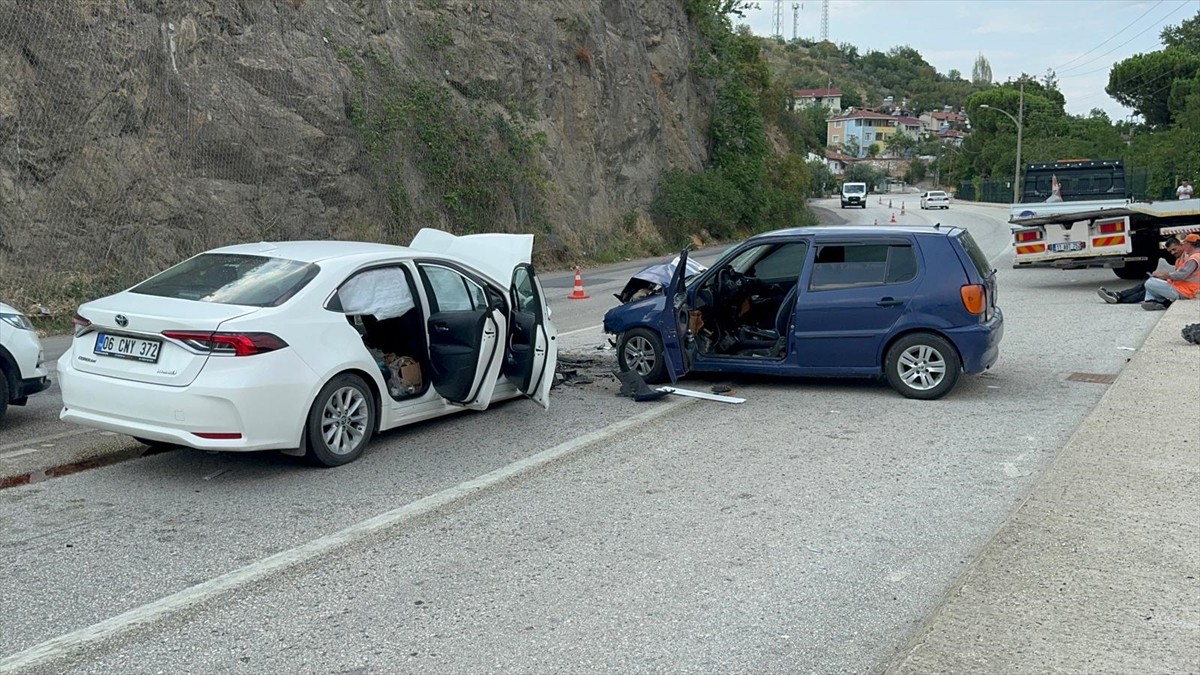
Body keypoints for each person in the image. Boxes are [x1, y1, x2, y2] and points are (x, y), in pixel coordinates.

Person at [1098, 238, 1185, 304]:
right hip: (1178, 286)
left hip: (1182, 290)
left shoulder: (1189, 258)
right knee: (1146, 284)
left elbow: (1182, 275)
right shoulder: (1180, 258)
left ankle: (1119, 298)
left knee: (1149, 288)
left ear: (1181, 245)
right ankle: (1118, 295)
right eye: (1170, 251)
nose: (1172, 253)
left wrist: (1163, 275)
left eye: (1174, 249)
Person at [1142, 233, 1200, 310]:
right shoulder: (1194, 256)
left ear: (1189, 244)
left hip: (1185, 291)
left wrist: (1164, 275)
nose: (1184, 246)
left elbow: (1181, 275)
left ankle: (1161, 301)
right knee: (1153, 281)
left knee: (1149, 283)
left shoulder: (1194, 258)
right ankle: (1152, 301)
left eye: (1185, 244)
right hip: (1182, 288)